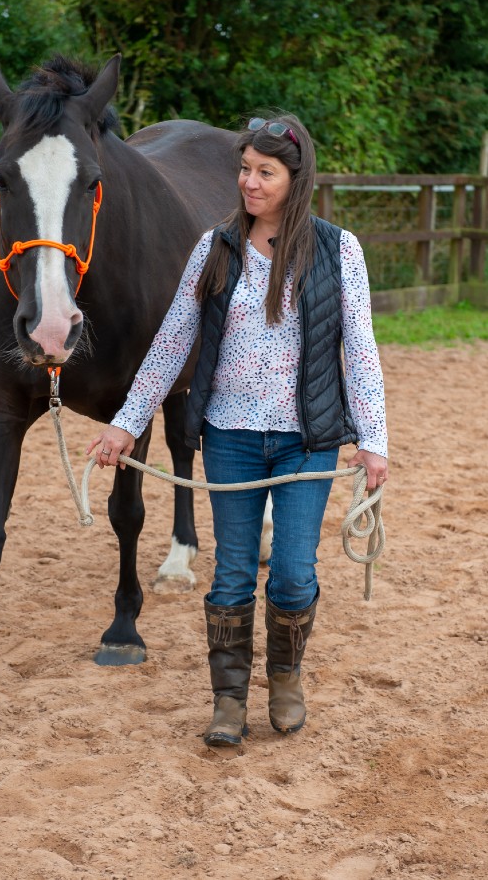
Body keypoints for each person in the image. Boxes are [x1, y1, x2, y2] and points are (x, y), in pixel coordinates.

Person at [86, 113, 388, 747]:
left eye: (265, 173)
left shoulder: (339, 251)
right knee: (231, 575)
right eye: (245, 170)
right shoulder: (215, 247)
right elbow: (172, 343)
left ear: (295, 178)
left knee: (294, 575)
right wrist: (125, 425)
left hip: (308, 441)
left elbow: (359, 350)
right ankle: (227, 700)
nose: (250, 183)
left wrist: (373, 440)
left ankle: (285, 680)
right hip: (230, 436)